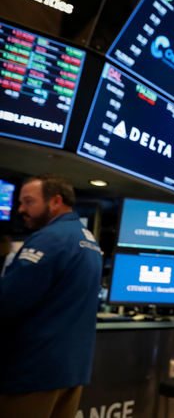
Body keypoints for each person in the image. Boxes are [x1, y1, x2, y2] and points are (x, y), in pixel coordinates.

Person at [0, 174, 103, 418]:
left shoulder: (50, 238)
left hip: (33, 372)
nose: (21, 209)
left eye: (28, 202)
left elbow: (9, 301)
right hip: (70, 371)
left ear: (56, 201)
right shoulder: (87, 238)